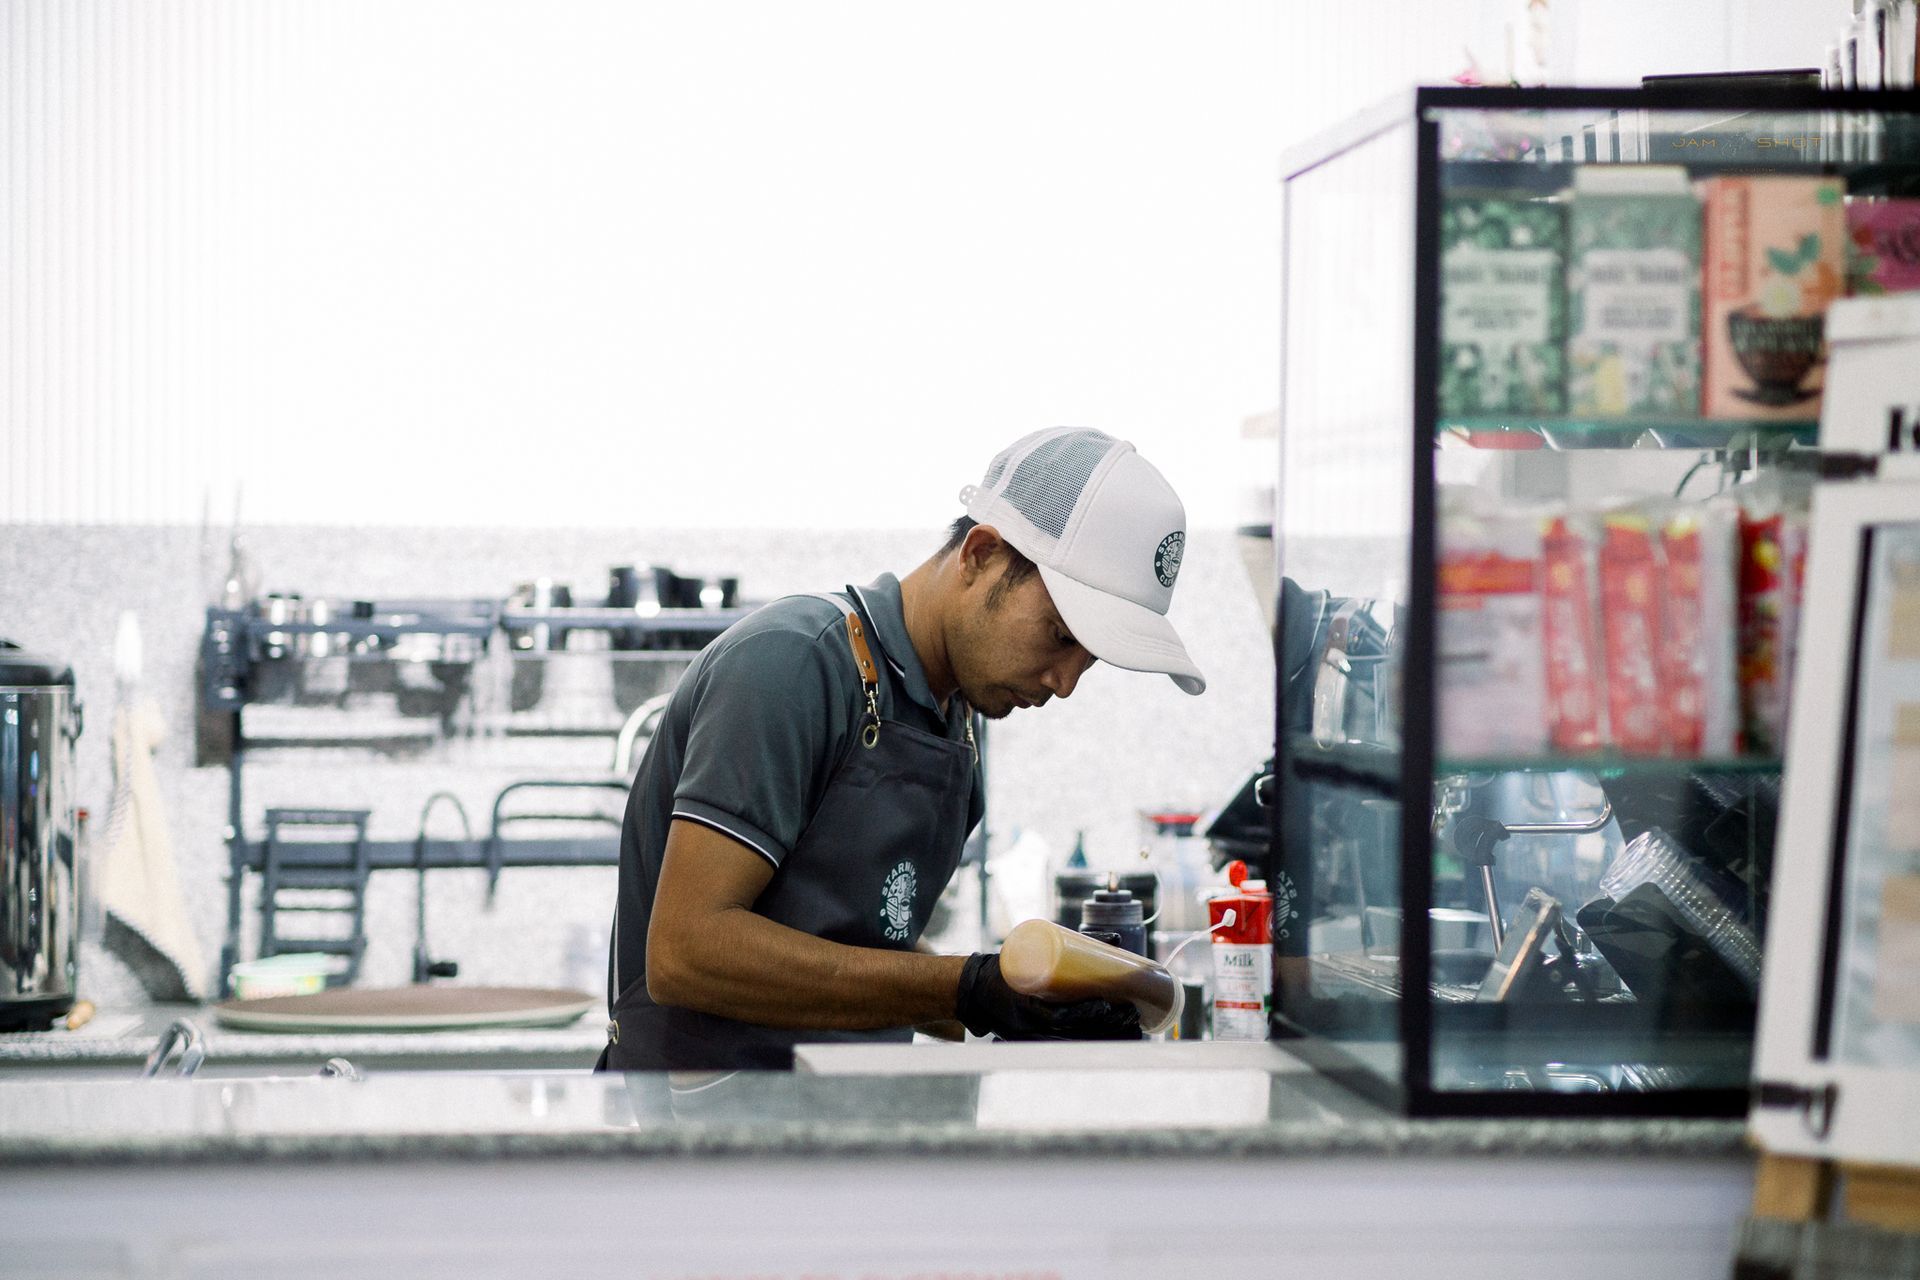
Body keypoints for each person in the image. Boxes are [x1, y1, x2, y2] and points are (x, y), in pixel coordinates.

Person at [599, 427, 1207, 1071]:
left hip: (835, 1122)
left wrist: (1024, 1002)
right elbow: (687, 953)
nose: (1063, 684)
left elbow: (845, 954)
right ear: (980, 554)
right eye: (1058, 636)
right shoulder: (790, 664)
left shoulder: (953, 730)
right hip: (693, 1138)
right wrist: (962, 987)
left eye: (1089, 663)